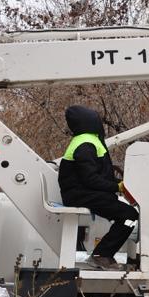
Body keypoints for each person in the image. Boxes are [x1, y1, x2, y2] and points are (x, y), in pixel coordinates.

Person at [59, 105, 140, 270]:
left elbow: (96, 176)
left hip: (82, 192)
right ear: (91, 121)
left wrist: (119, 185)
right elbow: (90, 179)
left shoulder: (86, 140)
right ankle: (101, 255)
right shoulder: (86, 144)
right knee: (129, 216)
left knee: (127, 215)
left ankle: (103, 254)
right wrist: (116, 187)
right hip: (81, 194)